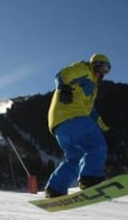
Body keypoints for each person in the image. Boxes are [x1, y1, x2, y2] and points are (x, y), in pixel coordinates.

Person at [45, 54, 111, 198]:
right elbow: (62, 75)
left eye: (107, 70)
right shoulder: (84, 69)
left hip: (59, 124)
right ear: (95, 64)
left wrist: (103, 127)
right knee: (96, 145)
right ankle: (90, 178)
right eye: (102, 67)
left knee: (75, 157)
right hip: (70, 115)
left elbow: (91, 112)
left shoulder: (93, 89)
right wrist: (64, 88)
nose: (103, 73)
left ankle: (55, 189)